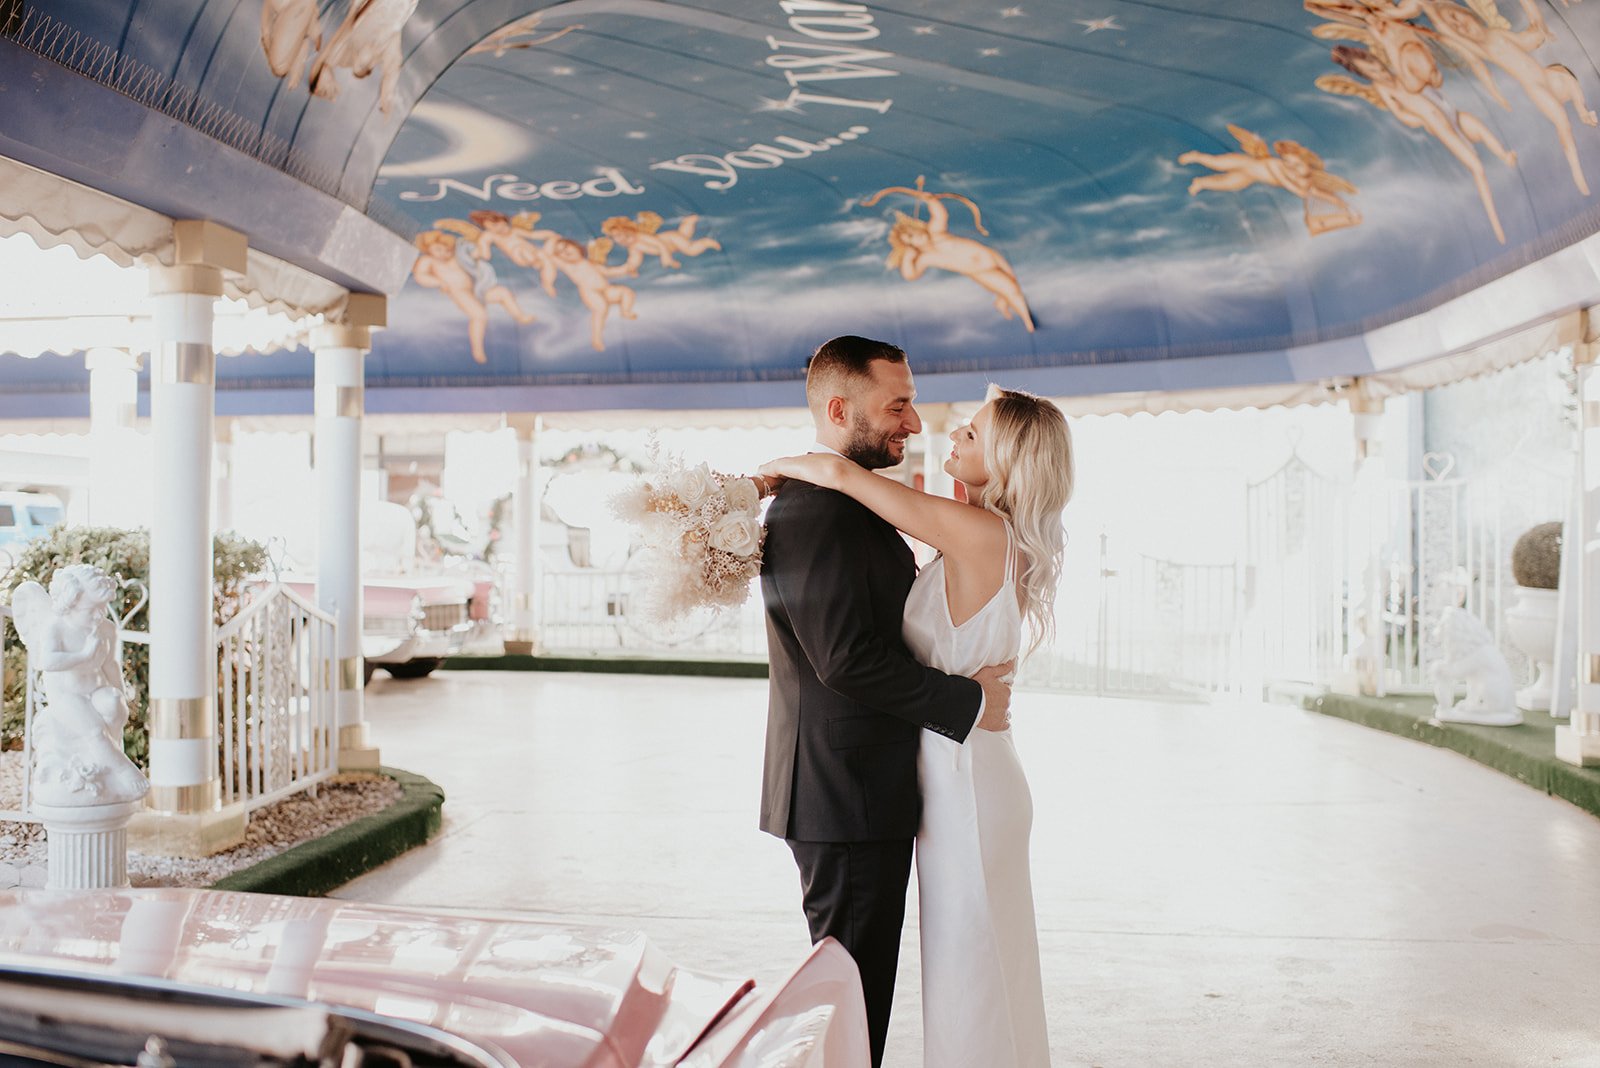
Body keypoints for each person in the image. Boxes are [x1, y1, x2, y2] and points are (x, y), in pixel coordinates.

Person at [760, 368, 1074, 1068]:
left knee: (971, 969)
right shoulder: (981, 533)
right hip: (964, 767)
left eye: (973, 434)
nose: (949, 432)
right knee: (978, 963)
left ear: (1009, 460)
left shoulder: (978, 532)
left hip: (967, 781)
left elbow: (842, 476)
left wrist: (765, 476)